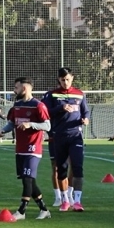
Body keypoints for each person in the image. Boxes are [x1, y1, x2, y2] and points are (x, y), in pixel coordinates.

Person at [1, 77, 51, 220]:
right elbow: (12, 123)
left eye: (16, 88)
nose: (14, 90)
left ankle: (21, 211)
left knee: (27, 179)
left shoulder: (38, 105)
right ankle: (44, 209)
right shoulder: (17, 105)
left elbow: (47, 126)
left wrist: (31, 124)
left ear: (24, 88)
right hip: (20, 148)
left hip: (33, 148)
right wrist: (3, 130)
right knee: (29, 180)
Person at [42, 67, 90, 212]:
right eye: (63, 80)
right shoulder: (52, 94)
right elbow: (46, 112)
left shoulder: (79, 94)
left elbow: (85, 111)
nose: (65, 82)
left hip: (75, 136)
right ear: (59, 79)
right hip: (59, 136)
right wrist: (61, 108)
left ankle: (77, 201)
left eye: (68, 79)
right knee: (61, 168)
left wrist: (86, 119)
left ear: (72, 78)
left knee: (77, 167)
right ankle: (64, 200)